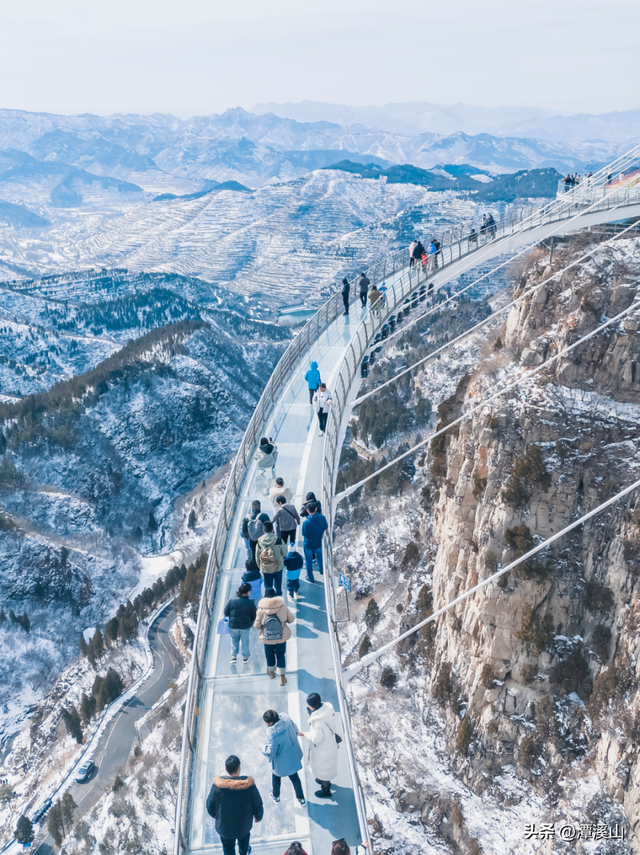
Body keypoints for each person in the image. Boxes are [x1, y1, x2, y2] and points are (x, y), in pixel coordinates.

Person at [206, 754, 263, 855]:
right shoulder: (249, 787)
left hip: (224, 827)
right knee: (244, 844)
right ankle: (244, 852)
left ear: (226, 769)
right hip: (243, 826)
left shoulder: (217, 787)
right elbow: (257, 803)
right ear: (239, 768)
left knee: (228, 849)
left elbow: (210, 805)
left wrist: (214, 815)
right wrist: (258, 816)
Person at [298, 692, 340, 799]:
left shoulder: (317, 723)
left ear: (313, 707)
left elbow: (316, 739)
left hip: (323, 750)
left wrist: (305, 734)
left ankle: (326, 789)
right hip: (330, 743)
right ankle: (323, 780)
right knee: (326, 767)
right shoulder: (328, 709)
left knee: (325, 769)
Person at [260, 709, 305, 806]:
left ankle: (276, 796)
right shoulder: (287, 720)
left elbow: (271, 752)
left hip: (281, 762)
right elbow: (295, 728)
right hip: (293, 756)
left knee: (276, 777)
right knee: (294, 777)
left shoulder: (273, 735)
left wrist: (261, 748)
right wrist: (296, 732)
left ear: (271, 723)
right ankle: (301, 798)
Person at [254, 586, 295, 686]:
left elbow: (257, 625)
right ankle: (282, 677)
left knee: (269, 654)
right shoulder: (282, 606)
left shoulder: (261, 610)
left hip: (267, 638)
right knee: (281, 655)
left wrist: (264, 628)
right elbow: (292, 619)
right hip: (281, 637)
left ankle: (271, 672)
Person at [224, 583, 257, 664]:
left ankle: (233, 656)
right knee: (245, 641)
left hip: (233, 625)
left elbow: (226, 612)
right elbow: (254, 615)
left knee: (234, 639)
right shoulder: (250, 603)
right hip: (245, 626)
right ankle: (245, 657)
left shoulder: (232, 600)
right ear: (248, 592)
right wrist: (252, 622)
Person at [257, 521, 287, 596]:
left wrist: (260, 567)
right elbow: (284, 553)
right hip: (278, 567)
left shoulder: (259, 543)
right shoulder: (279, 540)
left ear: (263, 530)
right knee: (278, 586)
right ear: (273, 529)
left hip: (266, 568)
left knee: (268, 587)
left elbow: (257, 558)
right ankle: (279, 597)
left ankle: (269, 599)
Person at [301, 501, 328, 583]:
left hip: (308, 544)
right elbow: (325, 527)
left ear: (307, 511)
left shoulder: (306, 523)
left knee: (308, 561)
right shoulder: (322, 518)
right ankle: (322, 570)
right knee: (320, 557)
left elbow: (304, 534)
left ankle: (311, 578)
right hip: (318, 543)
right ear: (316, 509)